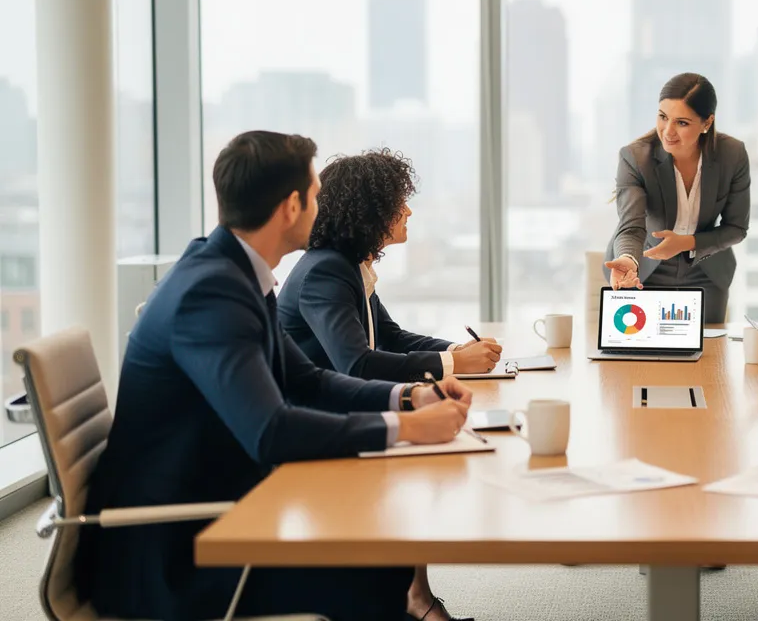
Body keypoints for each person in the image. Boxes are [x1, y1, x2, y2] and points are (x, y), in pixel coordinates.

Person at [76, 131, 478, 621]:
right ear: (291, 206)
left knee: (381, 557)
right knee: (376, 571)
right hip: (174, 557)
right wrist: (407, 429)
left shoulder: (236, 274)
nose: (321, 205)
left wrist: (410, 396)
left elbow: (308, 380)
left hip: (218, 514)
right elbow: (271, 432)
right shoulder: (212, 293)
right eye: (314, 194)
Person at [279, 148, 502, 381]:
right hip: (321, 413)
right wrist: (456, 363)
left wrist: (458, 351)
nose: (408, 211)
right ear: (370, 211)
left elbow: (391, 338)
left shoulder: (348, 264)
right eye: (399, 202)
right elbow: (357, 364)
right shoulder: (326, 271)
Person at [604, 73, 749, 323]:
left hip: (706, 272)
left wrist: (686, 243)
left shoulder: (732, 154)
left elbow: (736, 228)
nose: (668, 131)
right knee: (642, 355)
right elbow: (631, 226)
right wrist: (628, 259)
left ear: (707, 122)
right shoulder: (635, 158)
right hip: (644, 271)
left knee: (709, 353)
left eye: (681, 122)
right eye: (663, 117)